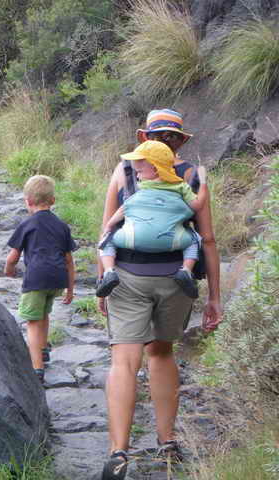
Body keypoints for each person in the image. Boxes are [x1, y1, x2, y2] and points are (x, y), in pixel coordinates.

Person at [98, 109, 222, 480]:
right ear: (180, 141)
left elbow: (107, 229)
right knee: (162, 352)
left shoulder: (125, 171)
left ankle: (119, 453)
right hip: (175, 277)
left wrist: (102, 277)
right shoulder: (194, 177)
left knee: (124, 359)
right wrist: (214, 296)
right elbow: (209, 239)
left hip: (126, 275)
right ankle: (167, 442)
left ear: (144, 139)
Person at [96, 140, 208, 299]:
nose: (137, 175)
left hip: (133, 239)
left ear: (155, 169)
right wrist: (202, 184)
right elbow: (197, 205)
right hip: (172, 241)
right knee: (195, 240)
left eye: (139, 172)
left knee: (107, 240)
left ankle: (108, 272)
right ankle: (185, 271)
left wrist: (109, 225)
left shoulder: (141, 188)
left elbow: (123, 209)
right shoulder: (181, 187)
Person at [4, 175, 77, 383]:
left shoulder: (27, 224)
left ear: (27, 201)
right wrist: (70, 289)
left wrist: (9, 270)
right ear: (53, 201)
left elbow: (13, 257)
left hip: (36, 278)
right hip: (58, 279)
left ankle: (36, 369)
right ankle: (43, 349)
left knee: (33, 322)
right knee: (44, 312)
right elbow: (69, 260)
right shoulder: (62, 226)